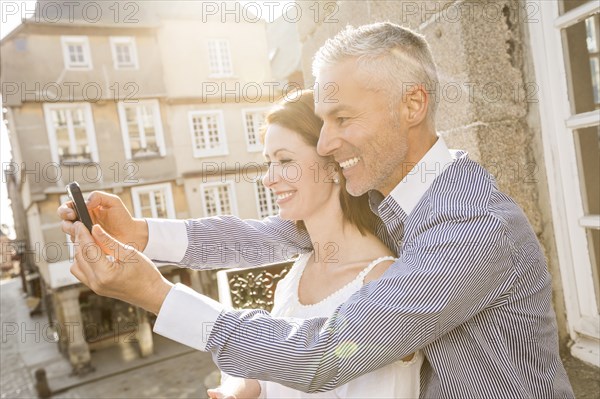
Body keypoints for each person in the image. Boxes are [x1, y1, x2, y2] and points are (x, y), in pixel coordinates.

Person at [59, 22, 574, 398]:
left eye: (343, 118)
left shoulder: (470, 227)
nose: (325, 143)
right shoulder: (386, 200)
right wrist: (140, 232)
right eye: (322, 121)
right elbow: (261, 237)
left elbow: (324, 355)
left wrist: (155, 294)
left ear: (412, 105)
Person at [207, 90, 421, 398]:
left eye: (285, 160)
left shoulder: (381, 284)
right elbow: (272, 371)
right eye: (268, 162)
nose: (268, 179)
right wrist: (239, 389)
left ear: (334, 167)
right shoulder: (298, 271)